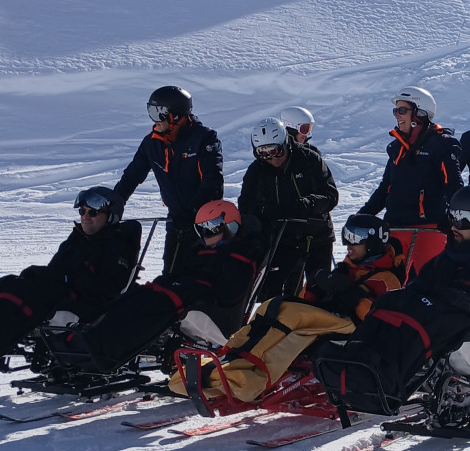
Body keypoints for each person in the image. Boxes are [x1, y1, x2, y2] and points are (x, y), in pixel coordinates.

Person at [313, 186, 470, 415]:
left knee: (420, 318)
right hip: (444, 313)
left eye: (465, 220)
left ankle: (386, 381)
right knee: (389, 303)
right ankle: (354, 365)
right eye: (453, 217)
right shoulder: (453, 254)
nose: (455, 226)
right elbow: (423, 281)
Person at [172, 214, 404, 415]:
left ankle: (247, 372)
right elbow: (307, 301)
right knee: (272, 306)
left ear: (373, 243)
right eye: (346, 237)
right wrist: (316, 286)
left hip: (352, 328)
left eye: (355, 239)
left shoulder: (387, 278)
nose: (348, 245)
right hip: (326, 319)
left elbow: (378, 319)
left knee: (289, 313)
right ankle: (229, 360)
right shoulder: (349, 267)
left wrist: (349, 292)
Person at [0, 188, 140, 375]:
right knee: (7, 284)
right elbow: (58, 269)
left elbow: (109, 288)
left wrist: (64, 278)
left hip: (86, 304)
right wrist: (43, 274)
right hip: (60, 292)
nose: (85, 218)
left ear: (110, 217)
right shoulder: (78, 238)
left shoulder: (118, 246)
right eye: (83, 212)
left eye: (92, 213)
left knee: (21, 300)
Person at [48, 200, 264, 373]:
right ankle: (86, 340)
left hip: (202, 303)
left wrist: (192, 287)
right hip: (182, 293)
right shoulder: (201, 251)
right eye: (201, 229)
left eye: (212, 228)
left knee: (147, 307)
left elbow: (229, 290)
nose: (205, 235)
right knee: (132, 300)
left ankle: (99, 350)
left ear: (230, 226)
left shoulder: (241, 254)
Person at [114, 86, 223, 277]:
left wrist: (196, 212)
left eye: (158, 113)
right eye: (151, 111)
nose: (154, 120)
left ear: (176, 116)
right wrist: (114, 202)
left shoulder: (203, 138)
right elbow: (132, 175)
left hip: (204, 224)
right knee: (170, 275)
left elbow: (212, 181)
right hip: (176, 221)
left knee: (200, 276)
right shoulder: (152, 143)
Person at [359, 86, 463, 275]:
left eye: (402, 110)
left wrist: (452, 220)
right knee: (387, 284)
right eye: (395, 111)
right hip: (394, 228)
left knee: (428, 284)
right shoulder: (397, 147)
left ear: (419, 114)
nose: (397, 116)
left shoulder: (442, 145)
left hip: (428, 229)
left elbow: (454, 187)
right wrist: (363, 214)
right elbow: (385, 188)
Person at [239, 116, 339, 302]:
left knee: (319, 292)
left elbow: (330, 195)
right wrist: (265, 211)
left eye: (275, 151)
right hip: (280, 240)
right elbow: (245, 205)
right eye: (263, 153)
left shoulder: (309, 159)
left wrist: (308, 204)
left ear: (285, 143)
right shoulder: (256, 171)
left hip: (315, 237)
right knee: (274, 294)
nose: (271, 158)